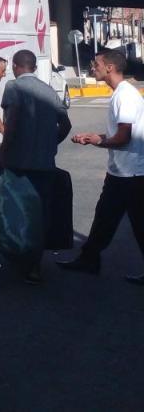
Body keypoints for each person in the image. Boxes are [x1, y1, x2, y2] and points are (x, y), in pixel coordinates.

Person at [58, 49, 144, 282]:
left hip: (133, 174)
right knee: (104, 218)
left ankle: (89, 259)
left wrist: (97, 141)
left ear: (110, 68)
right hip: (120, 172)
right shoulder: (120, 93)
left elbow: (123, 137)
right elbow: (118, 133)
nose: (91, 66)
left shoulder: (125, 95)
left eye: (96, 63)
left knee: (139, 225)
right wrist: (94, 135)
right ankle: (89, 260)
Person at [0, 50, 72, 284]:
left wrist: (2, 155)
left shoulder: (14, 87)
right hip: (46, 164)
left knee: (17, 211)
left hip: (19, 164)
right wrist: (49, 144)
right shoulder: (48, 90)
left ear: (17, 66)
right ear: (34, 67)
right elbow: (66, 125)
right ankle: (35, 265)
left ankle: (20, 256)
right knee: (40, 213)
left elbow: (12, 122)